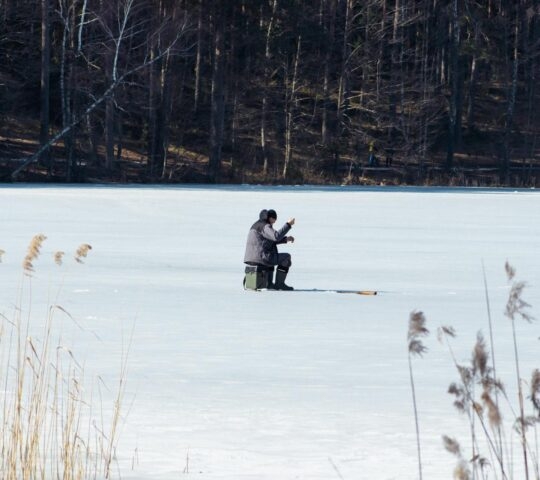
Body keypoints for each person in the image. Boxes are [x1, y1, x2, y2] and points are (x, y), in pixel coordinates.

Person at [244, 209, 295, 290]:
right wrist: (288, 224)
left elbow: (266, 241)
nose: (273, 223)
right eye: (273, 220)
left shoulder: (256, 225)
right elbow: (276, 236)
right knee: (286, 257)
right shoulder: (265, 226)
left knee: (271, 254)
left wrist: (285, 239)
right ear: (270, 218)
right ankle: (279, 284)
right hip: (261, 258)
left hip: (251, 258)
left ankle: (269, 284)